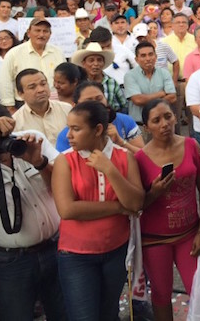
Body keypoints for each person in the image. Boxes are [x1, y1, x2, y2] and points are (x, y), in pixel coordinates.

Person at [0, 103, 66, 321]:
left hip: (54, 248)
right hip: (9, 262)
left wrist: (40, 163)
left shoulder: (29, 141)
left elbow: (63, 188)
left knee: (64, 313)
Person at [52, 101, 144, 321]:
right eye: (68, 128)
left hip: (116, 250)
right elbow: (67, 209)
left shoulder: (124, 157)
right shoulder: (65, 160)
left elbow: (136, 203)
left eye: (76, 128)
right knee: (84, 316)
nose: (69, 135)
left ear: (98, 129)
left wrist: (109, 169)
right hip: (76, 256)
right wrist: (117, 207)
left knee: (108, 313)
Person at [135, 99, 200, 321]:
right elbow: (136, 205)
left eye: (168, 117)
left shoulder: (190, 145)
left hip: (189, 234)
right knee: (160, 295)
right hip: (154, 240)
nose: (164, 124)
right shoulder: (139, 159)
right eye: (156, 120)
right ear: (147, 126)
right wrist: (154, 192)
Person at [0, 19, 65, 111]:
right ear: (29, 33)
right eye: (37, 30)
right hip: (24, 105)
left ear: (50, 34)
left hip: (55, 104)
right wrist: (9, 107)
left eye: (45, 31)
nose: (41, 35)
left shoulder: (58, 52)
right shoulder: (14, 53)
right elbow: (4, 80)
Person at [124, 41, 177, 128]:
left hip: (163, 125)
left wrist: (146, 98)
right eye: (143, 55)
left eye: (150, 54)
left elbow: (172, 98)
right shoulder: (130, 76)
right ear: (136, 59)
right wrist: (161, 93)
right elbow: (138, 100)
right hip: (140, 126)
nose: (148, 58)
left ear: (156, 57)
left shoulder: (164, 73)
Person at [13, 69, 71, 144]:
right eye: (32, 87)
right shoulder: (16, 122)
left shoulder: (67, 109)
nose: (41, 90)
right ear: (21, 94)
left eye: (43, 84)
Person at [71, 42, 127, 113]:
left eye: (99, 60)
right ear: (84, 63)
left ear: (103, 63)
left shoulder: (111, 82)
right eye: (91, 60)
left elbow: (124, 105)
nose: (96, 64)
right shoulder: (78, 83)